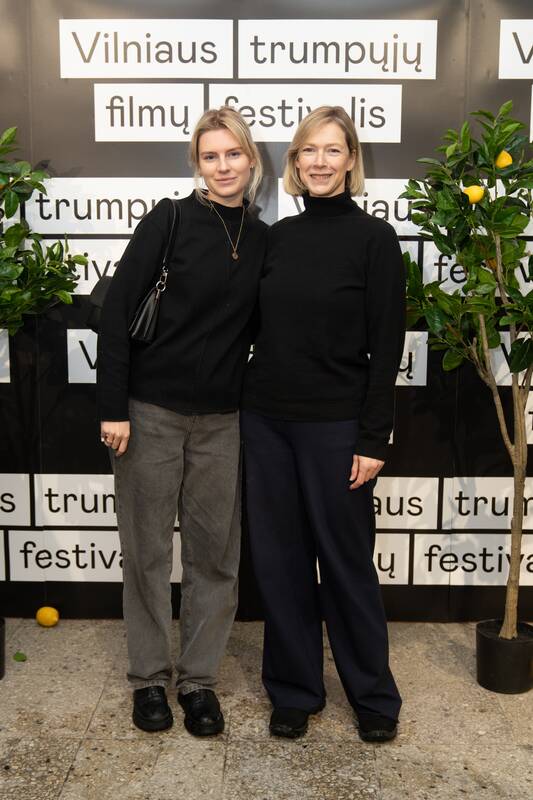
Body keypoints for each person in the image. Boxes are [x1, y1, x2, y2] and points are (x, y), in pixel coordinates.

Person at [97, 106, 267, 735]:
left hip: (222, 421)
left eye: (233, 154)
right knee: (146, 553)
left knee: (215, 558)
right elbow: (116, 315)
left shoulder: (262, 238)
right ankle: (148, 679)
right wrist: (113, 408)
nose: (223, 166)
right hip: (150, 414)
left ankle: (198, 682)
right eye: (210, 156)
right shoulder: (168, 219)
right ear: (196, 163)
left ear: (251, 160)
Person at [241, 106, 405, 743]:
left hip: (337, 426)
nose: (319, 161)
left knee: (346, 564)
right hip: (266, 422)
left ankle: (373, 696)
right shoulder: (276, 238)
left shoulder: (375, 240)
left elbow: (386, 346)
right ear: (295, 162)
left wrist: (373, 437)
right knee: (280, 563)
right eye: (308, 150)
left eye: (333, 150)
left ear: (351, 161)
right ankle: (294, 690)